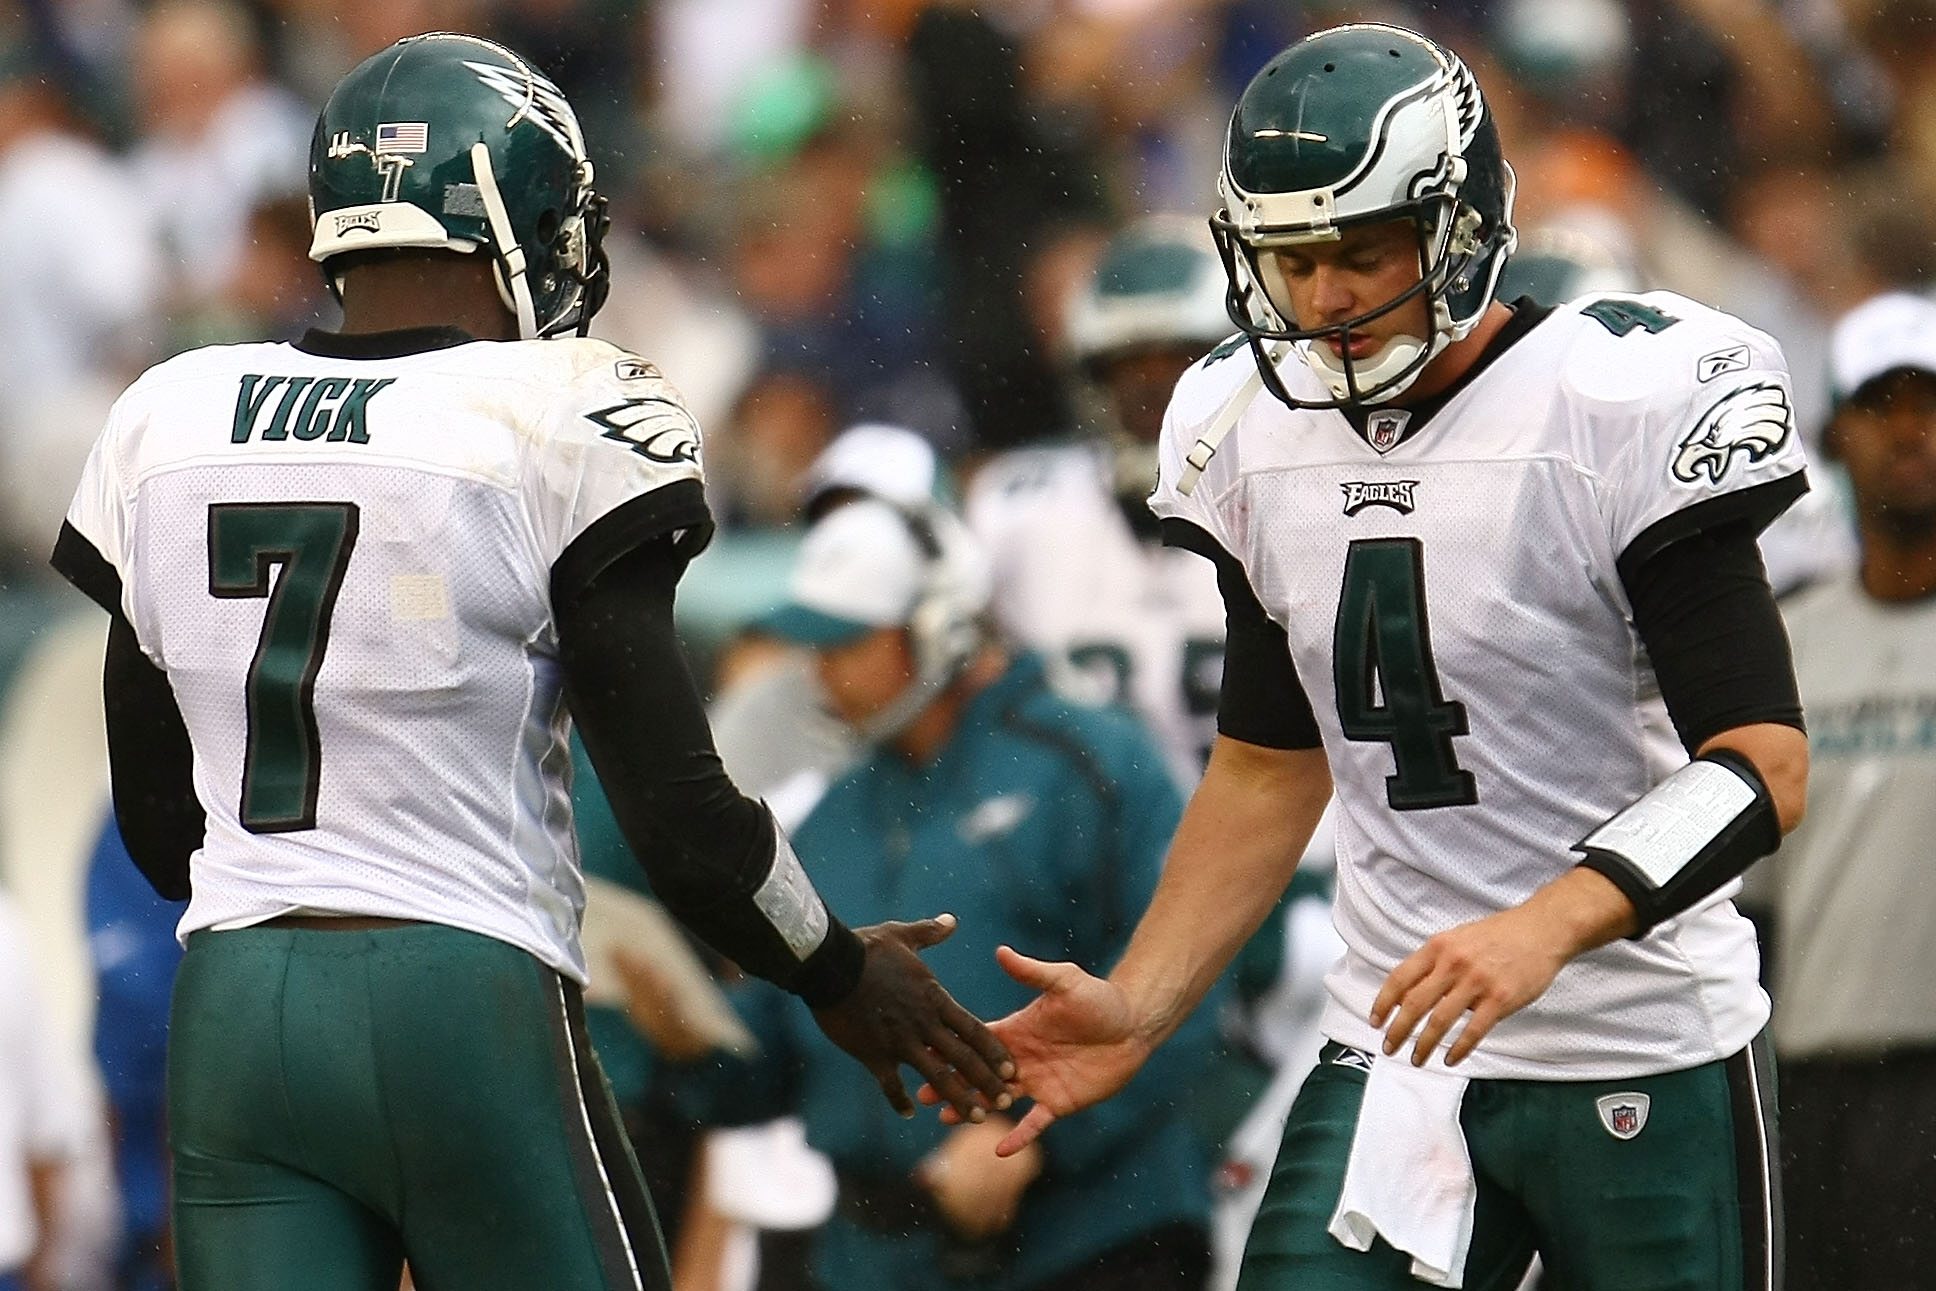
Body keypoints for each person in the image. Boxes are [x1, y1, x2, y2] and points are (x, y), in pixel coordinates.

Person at [47, 32, 1011, 1291]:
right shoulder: (555, 411)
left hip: (235, 1009)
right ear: (507, 213)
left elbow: (162, 822)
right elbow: (681, 817)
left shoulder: (167, 413)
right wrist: (834, 968)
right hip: (464, 990)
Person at [951, 23, 1812, 1291]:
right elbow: (1263, 763)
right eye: (1293, 261)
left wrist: (1543, 927)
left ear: (1458, 226)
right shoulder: (1247, 427)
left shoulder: (1612, 401)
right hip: (1397, 1045)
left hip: (1639, 1038)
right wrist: (1140, 1000)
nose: (1326, 297)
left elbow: (1762, 764)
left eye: (1361, 250)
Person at [690, 497, 1216, 1291]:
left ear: (936, 625)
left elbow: (1189, 977)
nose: (822, 670)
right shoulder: (831, 814)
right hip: (873, 1255)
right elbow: (778, 1047)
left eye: (849, 641)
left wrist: (1041, 1137)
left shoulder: (1092, 761)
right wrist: (679, 1035)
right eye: (815, 644)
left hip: (1087, 1239)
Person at [1764, 291, 1936, 1289]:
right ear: (1835, 434)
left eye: (1928, 402)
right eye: (1881, 403)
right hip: (1809, 1082)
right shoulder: (1782, 642)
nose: (1909, 429)